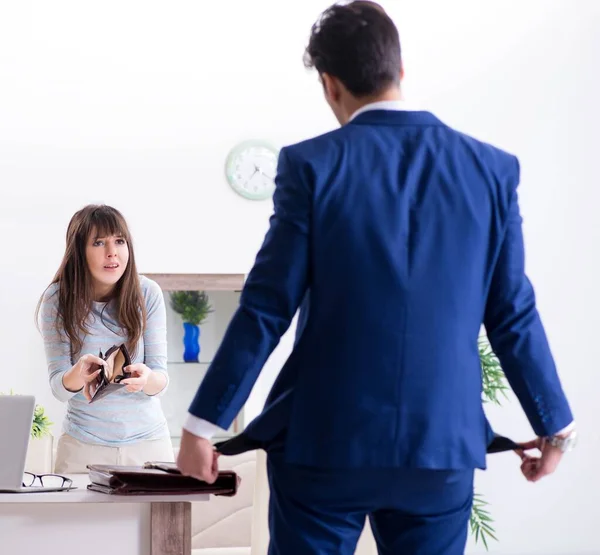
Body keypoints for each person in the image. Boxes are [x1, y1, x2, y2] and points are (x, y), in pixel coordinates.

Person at [177, 2, 576, 553]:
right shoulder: (491, 169)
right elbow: (512, 311)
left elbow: (267, 307)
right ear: (401, 69)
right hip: (440, 448)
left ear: (329, 85)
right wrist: (554, 426)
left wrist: (202, 426)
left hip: (325, 444)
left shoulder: (311, 165)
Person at [37, 204, 173, 473]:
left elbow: (160, 378)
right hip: (82, 446)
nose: (112, 252)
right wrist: (78, 374)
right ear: (79, 251)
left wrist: (147, 379)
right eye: (99, 242)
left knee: (163, 517)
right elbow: (58, 387)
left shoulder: (147, 293)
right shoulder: (57, 299)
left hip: (149, 444)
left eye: (119, 241)